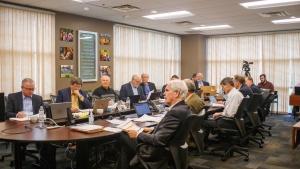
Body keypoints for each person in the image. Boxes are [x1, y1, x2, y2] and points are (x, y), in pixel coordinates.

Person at [116, 80, 190, 169]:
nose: (163, 94)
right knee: (126, 149)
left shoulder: (175, 112)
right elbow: (170, 130)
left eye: (167, 90)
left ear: (176, 93)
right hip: (172, 150)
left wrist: (138, 134)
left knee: (124, 134)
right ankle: (134, 162)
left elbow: (158, 140)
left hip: (156, 152)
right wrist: (152, 129)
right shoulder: (185, 108)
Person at [203, 77, 244, 148]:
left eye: (223, 86)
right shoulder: (235, 93)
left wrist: (220, 114)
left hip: (229, 122)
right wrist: (224, 103)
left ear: (227, 85)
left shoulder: (234, 95)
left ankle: (203, 145)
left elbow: (230, 113)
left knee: (203, 122)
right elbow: (231, 106)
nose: (223, 89)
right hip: (234, 121)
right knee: (210, 117)